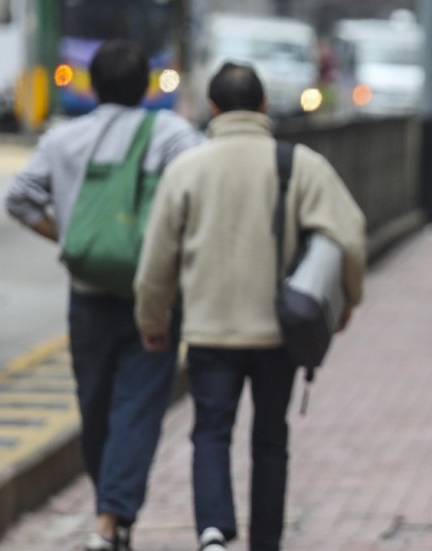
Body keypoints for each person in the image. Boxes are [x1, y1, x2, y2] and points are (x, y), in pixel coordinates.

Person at [133, 63, 366, 551]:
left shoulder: (188, 169)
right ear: (263, 106)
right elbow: (350, 231)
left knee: (211, 431)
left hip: (208, 330)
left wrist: (152, 320)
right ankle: (266, 541)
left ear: (213, 108)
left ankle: (214, 532)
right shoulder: (297, 163)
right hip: (277, 331)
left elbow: (157, 258)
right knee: (269, 438)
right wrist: (346, 301)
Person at [4, 40, 203, 551]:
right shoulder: (172, 133)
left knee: (94, 404)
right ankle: (112, 518)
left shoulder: (64, 137)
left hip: (87, 293)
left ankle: (108, 514)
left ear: (91, 87)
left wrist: (70, 239)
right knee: (137, 405)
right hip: (152, 295)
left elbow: (20, 198)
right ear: (147, 87)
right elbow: (203, 191)